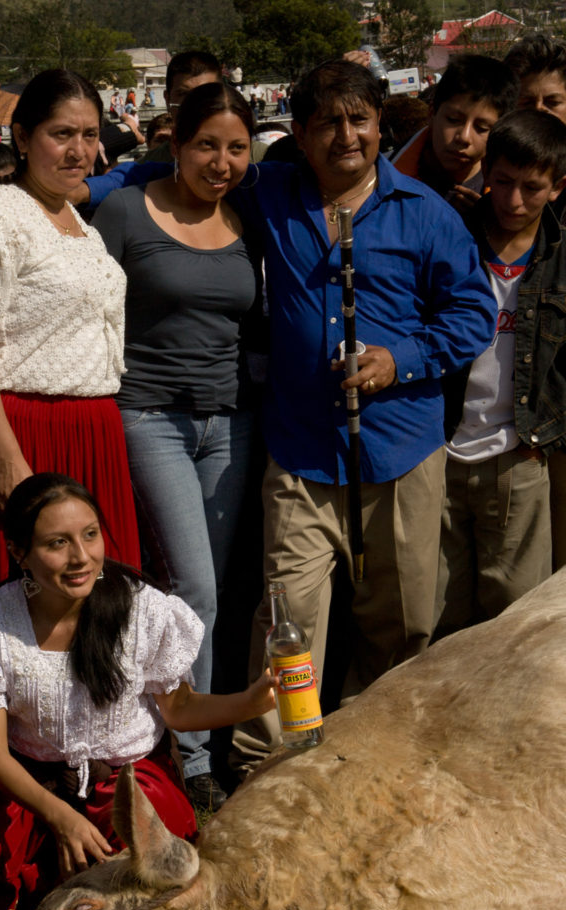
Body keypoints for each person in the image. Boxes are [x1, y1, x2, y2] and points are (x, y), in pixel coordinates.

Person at [227, 59, 497, 773]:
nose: (346, 136)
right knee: (289, 618)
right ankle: (273, 762)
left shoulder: (426, 213)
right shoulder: (270, 193)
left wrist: (398, 360)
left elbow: (473, 312)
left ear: (381, 125)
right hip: (302, 451)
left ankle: (374, 757)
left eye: (360, 119)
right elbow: (170, 177)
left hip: (401, 445)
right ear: (301, 134)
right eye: (327, 123)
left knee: (404, 617)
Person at [0, 473, 276, 910]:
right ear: (18, 552)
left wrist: (252, 702)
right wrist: (61, 817)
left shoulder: (142, 610)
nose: (81, 557)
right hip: (30, 781)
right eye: (57, 543)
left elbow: (180, 708)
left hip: (125, 781)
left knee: (150, 869)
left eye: (90, 535)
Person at [92, 82, 260, 813]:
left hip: (230, 422)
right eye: (206, 146)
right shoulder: (128, 210)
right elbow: (85, 298)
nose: (221, 162)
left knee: (209, 594)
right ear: (174, 142)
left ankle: (189, 736)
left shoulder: (247, 218)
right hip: (150, 416)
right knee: (194, 587)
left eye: (236, 148)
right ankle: (187, 753)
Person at [0, 69, 139, 619]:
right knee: (22, 614)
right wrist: (8, 458)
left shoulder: (81, 223)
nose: (79, 150)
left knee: (96, 615)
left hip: (94, 429)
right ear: (23, 138)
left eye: (90, 135)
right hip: (24, 429)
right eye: (62, 134)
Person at [435, 109, 566, 635]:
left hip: (520, 459)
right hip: (436, 455)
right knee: (436, 616)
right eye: (503, 182)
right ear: (486, 172)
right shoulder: (446, 238)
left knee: (515, 623)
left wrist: (548, 431)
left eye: (531, 188)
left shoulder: (561, 258)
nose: (513, 201)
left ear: (558, 187)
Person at [504, 35, 566, 567]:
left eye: (554, 102)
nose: (542, 112)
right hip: (530, 433)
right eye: (530, 103)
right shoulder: (493, 200)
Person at [392, 54, 518, 211]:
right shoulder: (383, 180)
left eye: (482, 128)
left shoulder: (513, 197)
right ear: (431, 114)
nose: (464, 137)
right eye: (453, 120)